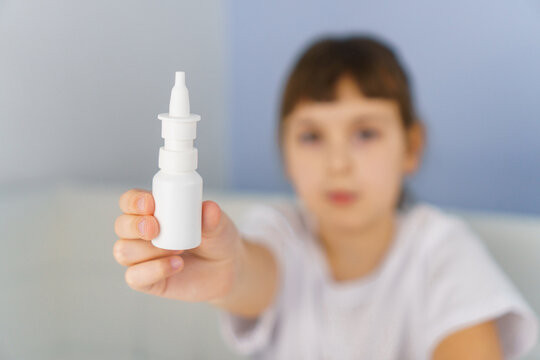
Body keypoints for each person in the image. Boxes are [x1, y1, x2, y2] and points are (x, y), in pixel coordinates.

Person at [113, 35, 538, 359]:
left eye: (365, 133)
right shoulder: (280, 232)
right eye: (312, 136)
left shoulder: (442, 252)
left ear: (411, 147)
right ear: (286, 153)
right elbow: (248, 270)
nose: (338, 163)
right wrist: (228, 272)